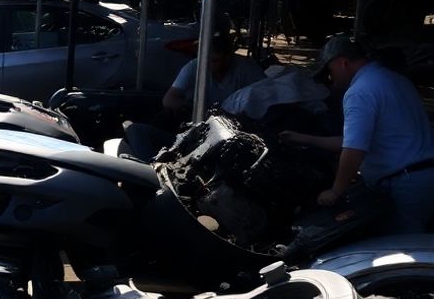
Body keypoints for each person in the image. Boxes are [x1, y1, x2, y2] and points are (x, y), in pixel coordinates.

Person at [282, 35, 434, 234]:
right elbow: (352, 142)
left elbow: (354, 150)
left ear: (342, 63)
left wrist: (336, 190)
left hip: (405, 185)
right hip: (424, 176)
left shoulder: (359, 92)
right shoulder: (395, 80)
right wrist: (303, 138)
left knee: (399, 252)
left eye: (330, 72)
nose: (331, 80)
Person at [162, 34, 266, 115]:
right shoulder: (194, 66)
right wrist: (199, 111)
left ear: (228, 57)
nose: (208, 64)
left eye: (215, 60)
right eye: (205, 59)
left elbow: (267, 98)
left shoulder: (247, 69)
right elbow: (168, 99)